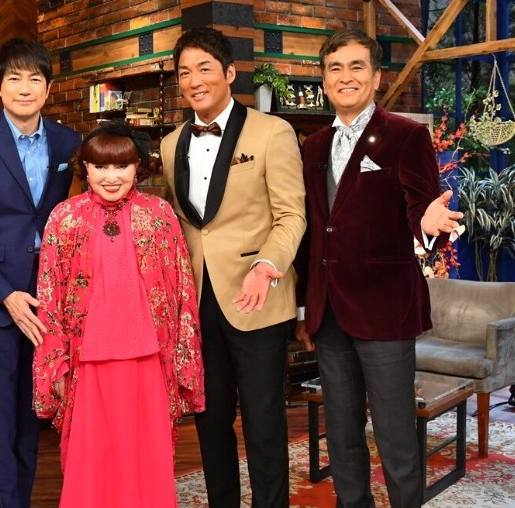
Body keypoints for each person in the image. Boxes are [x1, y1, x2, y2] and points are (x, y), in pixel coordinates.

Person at [294, 29, 463, 508]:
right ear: (324, 79)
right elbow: (310, 233)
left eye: (357, 67)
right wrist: (306, 308)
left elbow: (422, 210)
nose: (345, 77)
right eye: (335, 68)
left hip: (386, 311)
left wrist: (429, 225)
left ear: (376, 77)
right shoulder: (312, 146)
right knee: (342, 435)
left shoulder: (406, 136)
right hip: (329, 314)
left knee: (395, 436)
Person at [160, 27, 306, 508]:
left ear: (229, 72)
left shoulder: (272, 132)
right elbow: (183, 224)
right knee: (210, 419)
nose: (194, 80)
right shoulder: (170, 144)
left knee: (264, 423)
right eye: (185, 72)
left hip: (256, 296)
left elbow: (291, 215)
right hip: (198, 302)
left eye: (204, 68)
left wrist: (266, 265)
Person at [32, 121, 206, 507]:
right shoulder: (65, 217)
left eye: (121, 166)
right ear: (85, 168)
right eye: (100, 166)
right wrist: (55, 359)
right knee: (91, 463)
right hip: (87, 359)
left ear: (138, 167)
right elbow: (49, 294)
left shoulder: (160, 214)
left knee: (146, 458)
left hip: (149, 358)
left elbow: (182, 290)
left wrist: (183, 357)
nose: (111, 177)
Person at [0, 37, 80, 508]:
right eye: (15, 79)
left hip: (48, 299)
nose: (25, 88)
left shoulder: (68, 142)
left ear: (48, 88)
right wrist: (6, 295)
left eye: (35, 79)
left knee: (33, 414)